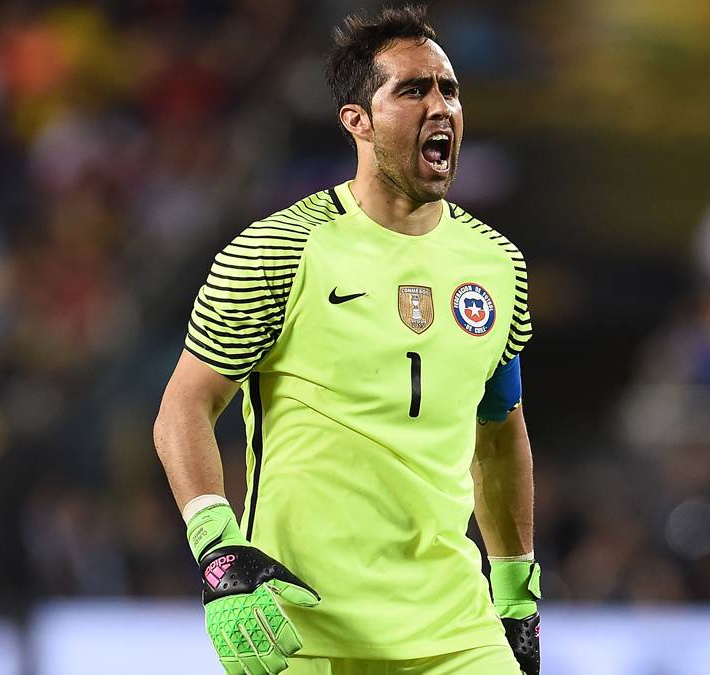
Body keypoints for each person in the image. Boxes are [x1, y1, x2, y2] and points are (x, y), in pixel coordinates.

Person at [153, 6, 538, 674]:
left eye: (449, 89)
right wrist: (218, 552)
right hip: (306, 631)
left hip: (456, 633)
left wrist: (517, 595)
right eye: (413, 90)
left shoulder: (497, 263)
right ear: (356, 120)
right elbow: (183, 407)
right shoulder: (279, 248)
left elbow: (499, 431)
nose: (441, 106)